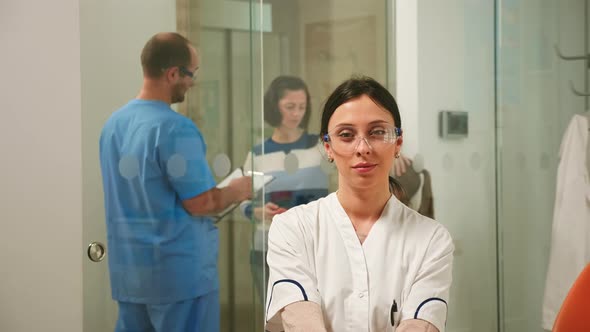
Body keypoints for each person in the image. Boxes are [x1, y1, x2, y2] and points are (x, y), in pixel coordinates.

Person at [264, 76, 454, 332]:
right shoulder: (292, 228)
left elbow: (421, 325)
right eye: (346, 134)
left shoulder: (432, 239)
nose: (362, 148)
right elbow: (301, 320)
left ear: (398, 142)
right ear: (328, 147)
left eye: (377, 132)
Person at [99, 32, 252, 332]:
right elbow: (201, 203)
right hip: (179, 279)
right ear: (172, 74)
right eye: (192, 74)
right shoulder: (174, 128)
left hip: (131, 274)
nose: (193, 83)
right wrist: (238, 190)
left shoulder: (112, 126)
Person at [240, 75, 330, 301]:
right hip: (268, 246)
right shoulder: (258, 154)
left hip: (314, 245)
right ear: (274, 107)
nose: (296, 113)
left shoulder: (319, 146)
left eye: (301, 107)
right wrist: (257, 211)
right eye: (289, 107)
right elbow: (239, 201)